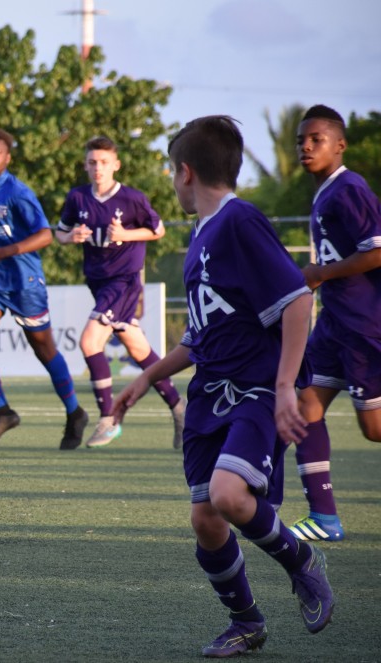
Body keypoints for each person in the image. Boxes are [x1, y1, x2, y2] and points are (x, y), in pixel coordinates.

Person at [112, 116, 333, 657]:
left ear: (185, 172)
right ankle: (247, 622)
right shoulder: (202, 234)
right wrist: (147, 376)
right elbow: (199, 336)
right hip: (210, 393)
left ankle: (302, 562)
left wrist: (284, 388)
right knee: (206, 520)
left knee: (228, 495)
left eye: (170, 170)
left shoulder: (239, 221)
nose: (170, 180)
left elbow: (298, 301)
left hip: (255, 390)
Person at [288, 104, 381, 543]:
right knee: (305, 402)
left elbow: (378, 251)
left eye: (316, 139)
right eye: (301, 140)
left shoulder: (349, 189)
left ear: (339, 145)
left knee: (373, 429)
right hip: (333, 323)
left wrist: (321, 273)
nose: (306, 146)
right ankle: (324, 517)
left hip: (364, 324)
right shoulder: (325, 191)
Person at [55, 136, 185, 449]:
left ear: (116, 165)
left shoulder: (131, 198)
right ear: (85, 165)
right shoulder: (78, 198)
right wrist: (70, 236)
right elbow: (58, 233)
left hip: (124, 282)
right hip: (98, 284)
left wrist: (126, 234)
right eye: (91, 162)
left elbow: (158, 230)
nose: (97, 168)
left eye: (103, 162)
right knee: (140, 351)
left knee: (89, 341)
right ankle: (181, 410)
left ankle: (108, 419)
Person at [0, 129, 88, 450]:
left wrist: (4, 252)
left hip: (25, 283)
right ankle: (3, 412)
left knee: (44, 350)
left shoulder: (18, 192)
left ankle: (75, 413)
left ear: (7, 158)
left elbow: (45, 235)